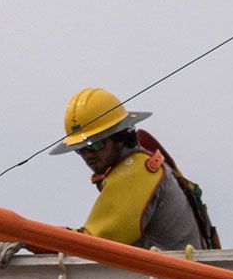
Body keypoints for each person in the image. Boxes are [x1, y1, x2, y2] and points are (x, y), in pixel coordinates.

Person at [58, 88, 219, 252]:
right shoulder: (141, 164)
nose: (87, 155)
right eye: (80, 148)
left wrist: (33, 236)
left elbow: (92, 242)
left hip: (170, 275)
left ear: (118, 137)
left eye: (94, 145)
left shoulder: (136, 171)